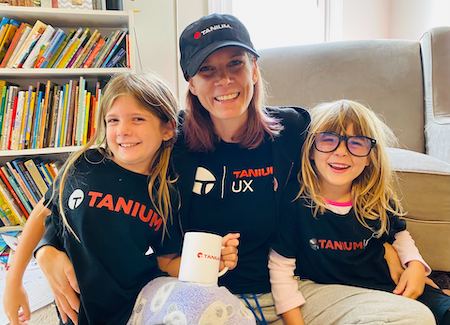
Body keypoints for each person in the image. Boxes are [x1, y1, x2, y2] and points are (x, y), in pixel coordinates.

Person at [32, 13, 435, 325]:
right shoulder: (170, 142)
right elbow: (94, 177)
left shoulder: (295, 128)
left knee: (414, 317)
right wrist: (47, 245)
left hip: (295, 290)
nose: (223, 80)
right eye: (207, 70)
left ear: (255, 69)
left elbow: (358, 166)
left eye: (235, 63)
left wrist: (403, 249)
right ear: (190, 82)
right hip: (206, 298)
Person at [3, 73, 239, 325]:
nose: (123, 131)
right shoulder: (85, 164)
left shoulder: (167, 192)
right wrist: (13, 283)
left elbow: (166, 261)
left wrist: (213, 258)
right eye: (113, 120)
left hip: (138, 304)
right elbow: (42, 215)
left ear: (168, 129)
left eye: (137, 119)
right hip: (78, 310)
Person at [269, 99, 450, 324]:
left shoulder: (374, 199)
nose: (342, 152)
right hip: (339, 298)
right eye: (328, 139)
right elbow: (280, 268)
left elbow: (400, 236)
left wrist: (415, 266)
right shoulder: (295, 203)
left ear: (370, 156)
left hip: (391, 284)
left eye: (356, 143)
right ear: (311, 150)